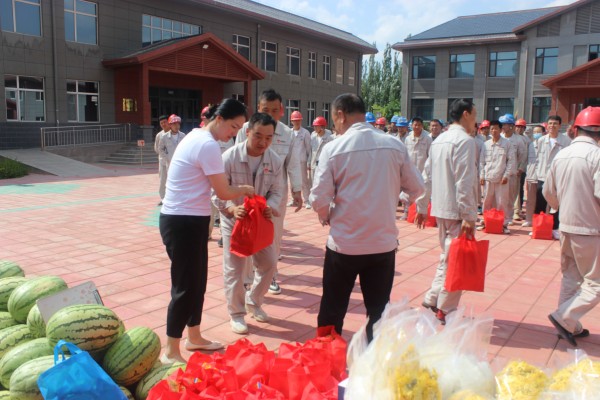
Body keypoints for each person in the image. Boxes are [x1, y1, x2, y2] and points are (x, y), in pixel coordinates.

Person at [310, 93, 425, 342]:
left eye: (334, 120)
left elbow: (319, 197)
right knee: (378, 311)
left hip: (344, 244)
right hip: (382, 244)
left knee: (333, 307)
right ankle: (373, 359)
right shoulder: (394, 145)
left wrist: (326, 215)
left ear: (341, 115)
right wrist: (394, 198)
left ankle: (328, 355)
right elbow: (417, 187)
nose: (335, 126)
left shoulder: (334, 148)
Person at [159, 99, 255, 363]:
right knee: (185, 286)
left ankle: (195, 336)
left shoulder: (196, 136)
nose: (233, 134)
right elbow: (223, 191)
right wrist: (245, 189)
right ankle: (171, 350)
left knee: (197, 282)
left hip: (192, 220)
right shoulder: (207, 144)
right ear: (219, 118)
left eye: (238, 129)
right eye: (233, 127)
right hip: (183, 222)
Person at [213, 113, 283, 334]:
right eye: (258, 136)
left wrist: (269, 206)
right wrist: (232, 209)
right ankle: (236, 313)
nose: (263, 142)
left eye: (268, 138)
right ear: (247, 132)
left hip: (259, 220)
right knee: (235, 268)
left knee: (269, 262)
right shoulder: (229, 157)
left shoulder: (275, 160)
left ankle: (254, 301)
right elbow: (216, 193)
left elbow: (277, 191)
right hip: (235, 220)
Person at [416, 98, 478, 324]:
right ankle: (447, 307)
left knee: (447, 256)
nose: (475, 121)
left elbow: (426, 176)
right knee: (457, 261)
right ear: (465, 114)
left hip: (441, 208)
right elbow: (464, 181)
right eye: (474, 115)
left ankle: (433, 297)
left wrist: (422, 206)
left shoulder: (439, 140)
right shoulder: (465, 141)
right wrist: (469, 215)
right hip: (457, 211)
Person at [543, 106, 600, 347]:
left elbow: (548, 192)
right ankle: (564, 318)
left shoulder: (562, 155)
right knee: (596, 283)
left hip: (566, 226)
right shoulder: (597, 156)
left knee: (571, 277)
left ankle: (569, 326)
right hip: (590, 229)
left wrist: (561, 207)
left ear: (575, 130)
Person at [236, 89, 302, 295]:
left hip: (275, 193)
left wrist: (297, 190)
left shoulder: (287, 134)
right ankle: (247, 278)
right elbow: (237, 157)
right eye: (266, 110)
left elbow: (293, 163)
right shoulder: (246, 129)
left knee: (273, 235)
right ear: (258, 108)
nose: (270, 115)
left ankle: (270, 274)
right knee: (246, 233)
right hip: (249, 191)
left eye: (275, 110)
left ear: (281, 110)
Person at [534, 115, 571, 240]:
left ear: (560, 125)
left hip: (558, 177)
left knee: (556, 204)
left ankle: (555, 228)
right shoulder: (541, 140)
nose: (552, 126)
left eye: (555, 123)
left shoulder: (566, 141)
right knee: (540, 202)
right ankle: (538, 226)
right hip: (542, 176)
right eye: (550, 123)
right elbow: (537, 158)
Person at [478, 120, 516, 234]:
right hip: (488, 178)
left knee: (502, 202)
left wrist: (506, 175)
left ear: (500, 130)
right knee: (487, 202)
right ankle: (486, 222)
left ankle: (503, 224)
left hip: (501, 179)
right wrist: (482, 175)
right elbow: (481, 162)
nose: (494, 131)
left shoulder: (507, 144)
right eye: (492, 129)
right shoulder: (486, 144)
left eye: (496, 128)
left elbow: (511, 161)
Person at [401, 116, 432, 220]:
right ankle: (407, 212)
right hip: (411, 170)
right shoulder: (408, 138)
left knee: (422, 193)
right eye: (415, 124)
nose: (417, 127)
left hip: (423, 171)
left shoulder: (427, 138)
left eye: (419, 125)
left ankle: (419, 214)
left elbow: (430, 155)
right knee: (408, 192)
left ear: (422, 126)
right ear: (412, 125)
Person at [499, 114, 527, 225]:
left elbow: (522, 156)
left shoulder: (519, 140)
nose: (502, 126)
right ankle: (499, 217)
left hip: (512, 173)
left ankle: (509, 218)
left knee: (511, 197)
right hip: (499, 172)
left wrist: (519, 168)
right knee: (499, 197)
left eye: (505, 124)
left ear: (511, 126)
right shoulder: (499, 137)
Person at [157, 115, 186, 206]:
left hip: (180, 163)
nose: (176, 126)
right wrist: (167, 158)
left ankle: (179, 198)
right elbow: (160, 149)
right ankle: (165, 198)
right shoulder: (164, 137)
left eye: (178, 124)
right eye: (174, 124)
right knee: (166, 181)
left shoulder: (183, 136)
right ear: (170, 125)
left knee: (180, 181)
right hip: (168, 163)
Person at [522, 125, 545, 227]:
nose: (536, 134)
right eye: (535, 132)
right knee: (530, 200)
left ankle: (541, 221)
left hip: (542, 176)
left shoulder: (546, 145)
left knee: (542, 200)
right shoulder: (531, 144)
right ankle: (529, 219)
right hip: (531, 175)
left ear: (543, 133)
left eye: (538, 132)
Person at [308, 116, 332, 209]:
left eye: (316, 126)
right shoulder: (313, 136)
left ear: (322, 127)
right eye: (314, 126)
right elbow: (310, 150)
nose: (314, 128)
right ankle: (314, 202)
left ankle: (325, 202)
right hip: (314, 163)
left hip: (324, 164)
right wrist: (309, 162)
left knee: (323, 183)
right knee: (313, 183)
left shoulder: (329, 137)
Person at [290, 111, 312, 209]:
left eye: (298, 120)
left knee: (304, 182)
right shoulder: (289, 133)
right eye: (295, 120)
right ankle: (294, 200)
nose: (297, 122)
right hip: (291, 162)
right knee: (293, 182)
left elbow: (309, 149)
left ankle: (307, 200)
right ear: (291, 121)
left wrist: (308, 162)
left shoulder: (305, 133)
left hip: (302, 161)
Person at [154, 115, 170, 205]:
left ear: (168, 122)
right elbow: (157, 148)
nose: (163, 124)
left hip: (173, 162)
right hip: (163, 161)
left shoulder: (174, 133)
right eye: (161, 123)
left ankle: (172, 197)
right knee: (162, 180)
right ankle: (163, 198)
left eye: (165, 122)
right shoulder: (159, 135)